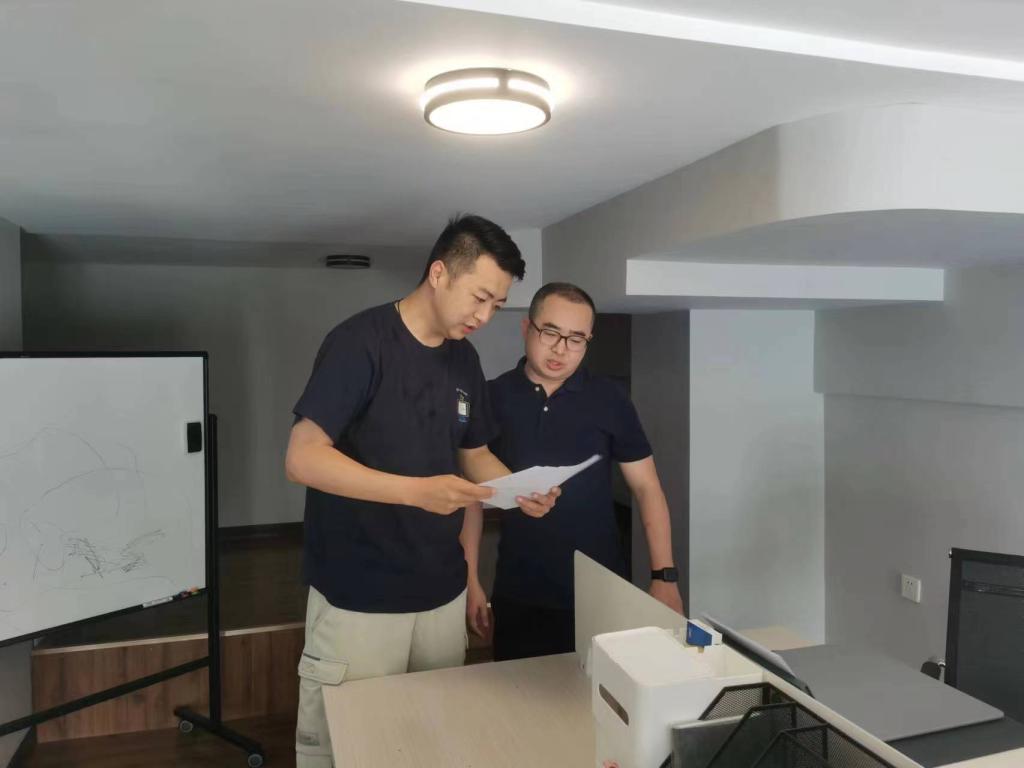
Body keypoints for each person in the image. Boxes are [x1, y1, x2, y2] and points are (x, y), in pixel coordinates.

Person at [285, 215, 560, 767]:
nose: (485, 316)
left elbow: (473, 454)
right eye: (479, 297)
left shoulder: (464, 358)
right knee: (350, 750)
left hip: (441, 594)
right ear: (439, 273)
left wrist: (517, 489)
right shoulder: (359, 343)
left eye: (497, 304)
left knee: (431, 746)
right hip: (359, 595)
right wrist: (414, 492)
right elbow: (302, 457)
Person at [461, 282, 682, 661]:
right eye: (550, 333)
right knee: (518, 693)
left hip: (601, 590)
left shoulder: (610, 399)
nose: (561, 349)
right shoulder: (493, 397)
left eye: (576, 339)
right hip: (520, 590)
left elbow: (647, 488)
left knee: (602, 693)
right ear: (527, 328)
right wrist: (471, 580)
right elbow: (472, 497)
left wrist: (664, 576)